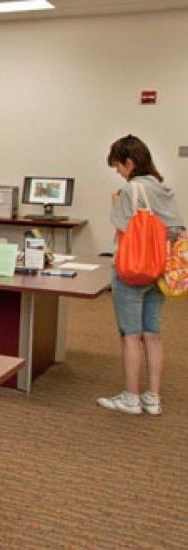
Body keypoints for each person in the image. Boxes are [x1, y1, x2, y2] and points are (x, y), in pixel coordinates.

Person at [98, 135, 184, 415]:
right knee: (152, 335)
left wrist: (116, 203)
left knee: (130, 336)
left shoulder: (129, 192)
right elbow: (175, 230)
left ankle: (131, 398)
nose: (118, 173)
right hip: (158, 271)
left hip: (131, 272)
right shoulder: (163, 188)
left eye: (118, 167)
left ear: (130, 162)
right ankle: (153, 397)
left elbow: (123, 231)